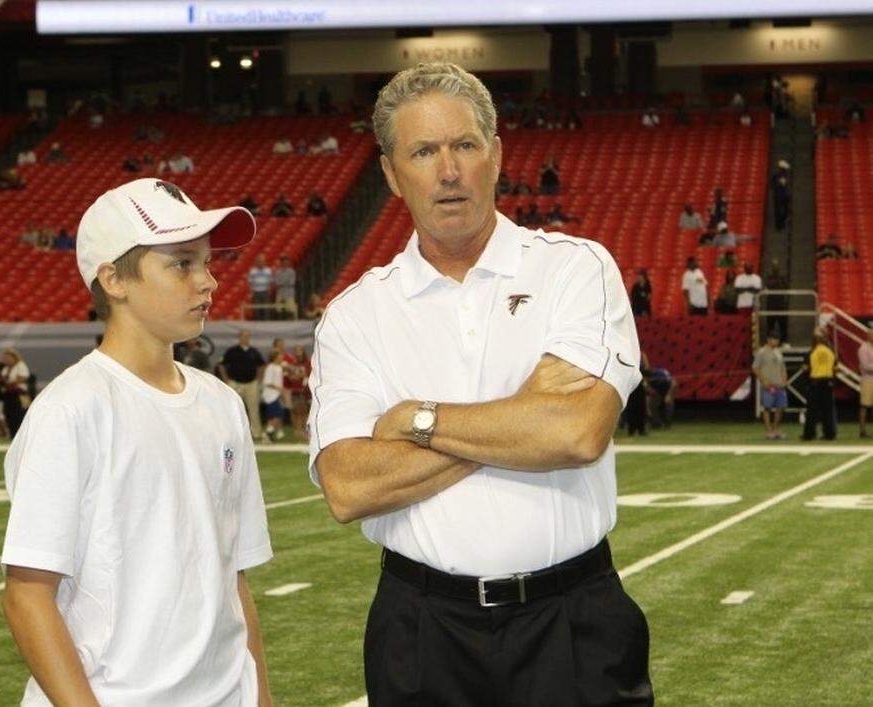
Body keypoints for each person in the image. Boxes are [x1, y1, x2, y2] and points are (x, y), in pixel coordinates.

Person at [310, 62, 651, 705]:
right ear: (390, 173)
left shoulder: (574, 270)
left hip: (572, 619)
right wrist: (522, 418)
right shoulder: (356, 313)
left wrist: (417, 419)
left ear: (495, 156)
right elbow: (349, 486)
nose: (448, 170)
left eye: (464, 145)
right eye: (423, 151)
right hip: (421, 626)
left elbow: (577, 434)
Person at [0, 177, 272, 706]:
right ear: (114, 280)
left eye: (208, 262)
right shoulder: (73, 407)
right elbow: (28, 594)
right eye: (181, 264)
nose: (208, 282)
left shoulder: (221, 404)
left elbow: (233, 581)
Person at [218, 328, 267, 443]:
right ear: (239, 337)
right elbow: (221, 365)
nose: (245, 338)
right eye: (243, 336)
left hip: (251, 383)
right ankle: (229, 433)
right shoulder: (232, 351)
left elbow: (261, 365)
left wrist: (259, 379)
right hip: (235, 383)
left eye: (247, 336)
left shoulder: (254, 352)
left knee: (253, 409)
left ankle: (256, 433)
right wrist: (226, 379)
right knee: (231, 408)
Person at [802, 329, 837, 441]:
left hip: (815, 383)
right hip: (828, 382)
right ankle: (829, 434)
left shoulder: (811, 352)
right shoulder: (830, 351)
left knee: (812, 410)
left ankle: (809, 434)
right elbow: (836, 368)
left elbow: (806, 368)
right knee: (828, 410)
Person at [753, 332, 788, 440]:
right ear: (768, 340)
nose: (776, 341)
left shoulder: (778, 352)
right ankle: (768, 431)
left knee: (780, 407)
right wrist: (764, 380)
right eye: (774, 339)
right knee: (767, 408)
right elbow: (755, 368)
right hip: (769, 385)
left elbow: (783, 367)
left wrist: (785, 379)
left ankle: (775, 429)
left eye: (777, 340)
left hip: (779, 385)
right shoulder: (761, 352)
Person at [0, 348, 31, 437]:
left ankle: (22, 433)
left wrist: (11, 382)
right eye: (5, 358)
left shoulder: (21, 365)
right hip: (9, 393)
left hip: (20, 393)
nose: (6, 360)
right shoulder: (6, 368)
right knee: (8, 413)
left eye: (8, 357)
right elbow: (3, 379)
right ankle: (12, 432)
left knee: (20, 413)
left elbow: (23, 378)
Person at [261, 350, 287, 441]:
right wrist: (279, 388)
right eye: (280, 355)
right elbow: (267, 382)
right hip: (270, 395)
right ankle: (267, 433)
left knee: (275, 415)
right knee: (276, 415)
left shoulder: (279, 368)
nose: (282, 357)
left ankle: (270, 433)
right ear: (275, 357)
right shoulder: (270, 367)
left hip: (276, 395)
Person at [247, 255, 273, 320]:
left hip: (265, 291)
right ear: (256, 262)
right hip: (256, 291)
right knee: (256, 308)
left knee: (266, 307)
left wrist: (269, 290)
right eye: (259, 261)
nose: (260, 263)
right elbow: (250, 282)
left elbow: (271, 281)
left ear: (264, 262)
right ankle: (257, 321)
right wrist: (252, 291)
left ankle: (267, 321)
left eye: (262, 262)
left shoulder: (268, 271)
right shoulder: (253, 271)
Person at [859, 327, 873, 439]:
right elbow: (865, 366)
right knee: (865, 405)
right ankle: (862, 431)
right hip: (868, 379)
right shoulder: (863, 349)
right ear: (868, 336)